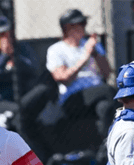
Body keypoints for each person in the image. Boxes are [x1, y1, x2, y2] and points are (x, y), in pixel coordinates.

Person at [0, 14, 51, 153]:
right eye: (1, 35)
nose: (6, 38)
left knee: (42, 90)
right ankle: (39, 160)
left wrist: (15, 58)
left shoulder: (19, 48)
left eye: (7, 34)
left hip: (21, 99)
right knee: (22, 120)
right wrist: (4, 57)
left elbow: (33, 68)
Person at [46, 8, 116, 149]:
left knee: (105, 108)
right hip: (74, 97)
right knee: (110, 91)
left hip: (97, 94)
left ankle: (106, 148)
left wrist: (96, 53)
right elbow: (64, 78)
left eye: (84, 23)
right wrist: (84, 57)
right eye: (81, 24)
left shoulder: (90, 45)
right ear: (68, 28)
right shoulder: (56, 50)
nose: (84, 27)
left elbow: (106, 74)